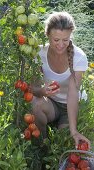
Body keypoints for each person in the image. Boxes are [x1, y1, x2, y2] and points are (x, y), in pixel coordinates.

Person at [30, 11, 91, 148]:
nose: (61, 45)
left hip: (70, 106)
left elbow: (72, 94)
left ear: (70, 36)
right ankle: (41, 146)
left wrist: (74, 131)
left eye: (65, 40)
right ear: (47, 35)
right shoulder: (39, 53)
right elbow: (33, 88)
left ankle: (64, 130)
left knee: (62, 141)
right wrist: (42, 92)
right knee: (35, 103)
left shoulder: (78, 57)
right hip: (51, 103)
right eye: (56, 40)